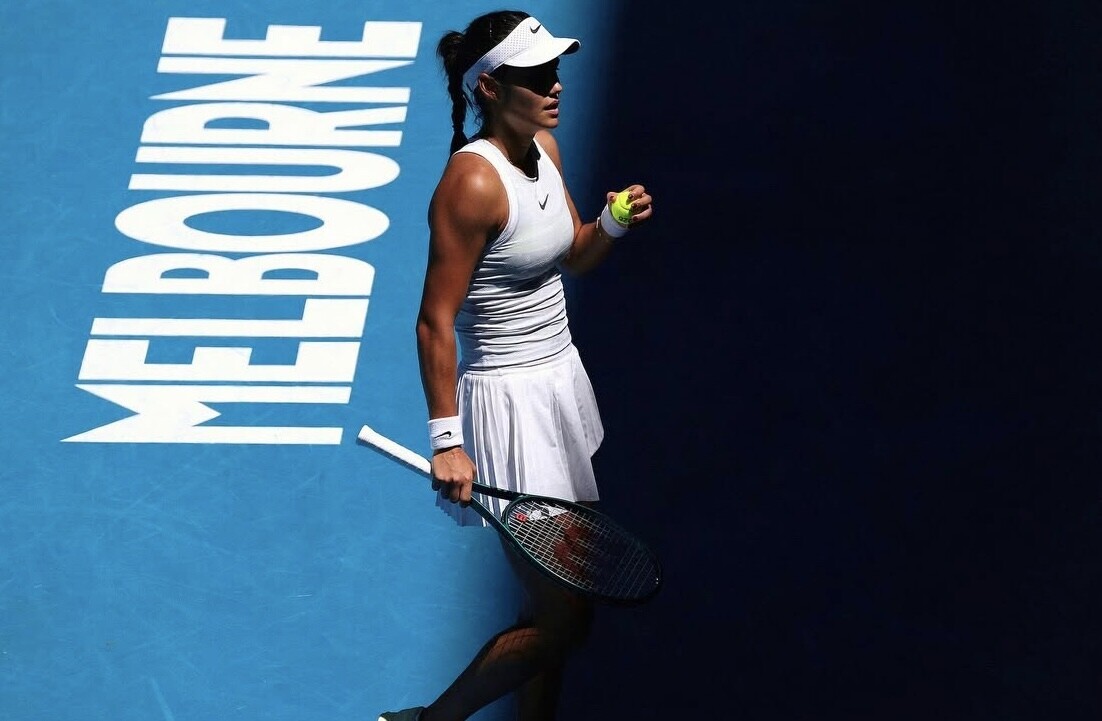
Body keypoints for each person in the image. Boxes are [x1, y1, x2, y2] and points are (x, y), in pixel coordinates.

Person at [379, 10, 653, 721]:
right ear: (492, 88)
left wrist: (613, 222)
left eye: (555, 70)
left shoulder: (545, 149)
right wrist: (447, 441)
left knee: (555, 604)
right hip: (510, 408)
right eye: (536, 76)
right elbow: (433, 321)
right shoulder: (472, 186)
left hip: (559, 384)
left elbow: (575, 255)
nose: (555, 85)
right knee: (565, 618)